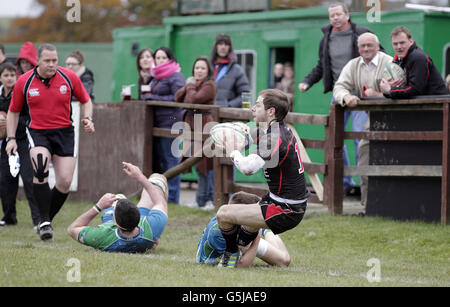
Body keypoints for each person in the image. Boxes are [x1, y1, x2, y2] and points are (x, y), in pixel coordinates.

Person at [6, 43, 95, 242]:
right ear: (37, 61)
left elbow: (86, 100)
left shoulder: (68, 77)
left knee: (64, 181)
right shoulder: (24, 81)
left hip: (64, 132)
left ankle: (45, 220)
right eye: (47, 61)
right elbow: (13, 111)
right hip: (38, 131)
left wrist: (88, 119)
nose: (52, 64)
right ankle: (44, 221)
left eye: (55, 60)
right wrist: (11, 138)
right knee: (40, 168)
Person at [215, 88, 309, 268]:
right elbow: (250, 134)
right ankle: (272, 255)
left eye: (257, 105)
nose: (252, 108)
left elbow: (248, 168)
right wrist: (238, 132)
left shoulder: (274, 137)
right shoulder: (277, 131)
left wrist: (232, 151)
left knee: (223, 214)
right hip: (283, 203)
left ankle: (230, 254)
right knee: (245, 235)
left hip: (285, 208)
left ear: (270, 111)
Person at [298, 2, 378, 196]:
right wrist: (308, 81)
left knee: (360, 136)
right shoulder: (326, 38)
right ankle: (345, 182)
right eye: (331, 15)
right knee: (334, 136)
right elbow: (321, 65)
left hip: (360, 91)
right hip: (338, 92)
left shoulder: (361, 33)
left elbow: (379, 55)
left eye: (338, 15)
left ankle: (365, 184)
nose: (334, 18)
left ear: (346, 15)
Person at [333, 33, 394, 207]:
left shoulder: (389, 63)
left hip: (393, 119)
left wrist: (378, 95)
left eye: (370, 45)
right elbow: (339, 86)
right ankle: (368, 206)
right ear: (358, 48)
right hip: (371, 120)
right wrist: (346, 97)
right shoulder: (353, 65)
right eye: (362, 46)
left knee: (391, 160)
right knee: (364, 154)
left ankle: (391, 204)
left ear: (377, 46)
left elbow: (400, 89)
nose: (366, 49)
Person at [67, 162, 168, 253]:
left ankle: (118, 199)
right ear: (138, 216)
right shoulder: (152, 226)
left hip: (115, 235)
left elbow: (72, 229)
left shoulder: (101, 236)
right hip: (145, 236)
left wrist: (98, 207)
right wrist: (140, 176)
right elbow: (160, 202)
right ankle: (155, 239)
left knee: (117, 197)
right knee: (158, 179)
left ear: (115, 223)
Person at [197, 191, 291, 267]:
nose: (256, 217)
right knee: (282, 260)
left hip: (243, 233)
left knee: (284, 261)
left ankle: (267, 231)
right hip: (234, 240)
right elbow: (241, 265)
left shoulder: (232, 221)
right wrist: (257, 236)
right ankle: (264, 230)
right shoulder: (219, 234)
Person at [143, 46, 185, 204]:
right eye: (157, 58)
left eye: (163, 58)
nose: (160, 61)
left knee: (171, 161)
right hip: (157, 124)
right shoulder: (156, 77)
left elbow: (178, 98)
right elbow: (150, 94)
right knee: (161, 161)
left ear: (170, 59)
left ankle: (173, 198)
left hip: (171, 124)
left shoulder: (176, 76)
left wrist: (152, 97)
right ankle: (162, 197)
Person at [0, 62, 40, 227]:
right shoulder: (0, 95)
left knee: (30, 180)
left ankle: (38, 220)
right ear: (1, 77)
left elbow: (28, 117)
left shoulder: (22, 93)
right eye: (6, 75)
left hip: (24, 141)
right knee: (5, 180)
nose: (10, 78)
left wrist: (9, 121)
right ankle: (9, 217)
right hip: (7, 142)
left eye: (12, 75)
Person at [175, 56, 216, 210]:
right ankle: (200, 200)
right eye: (197, 68)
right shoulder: (194, 84)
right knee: (195, 162)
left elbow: (193, 100)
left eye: (202, 68)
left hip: (203, 124)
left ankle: (208, 200)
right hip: (190, 124)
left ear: (208, 71)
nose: (199, 71)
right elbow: (177, 97)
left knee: (205, 164)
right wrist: (188, 86)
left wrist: (190, 87)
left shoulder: (210, 85)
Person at [380, 26, 448, 98]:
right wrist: (387, 88)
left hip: (438, 105)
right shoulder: (398, 60)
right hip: (422, 105)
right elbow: (400, 90)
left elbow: (415, 89)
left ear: (411, 41)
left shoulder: (418, 58)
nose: (399, 46)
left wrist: (390, 90)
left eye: (402, 42)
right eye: (395, 44)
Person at [210, 33, 250, 108]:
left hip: (227, 116)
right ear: (215, 46)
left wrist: (228, 106)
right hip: (207, 113)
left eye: (226, 44)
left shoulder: (237, 70)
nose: (223, 47)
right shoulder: (207, 67)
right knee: (196, 119)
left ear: (230, 48)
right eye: (220, 44)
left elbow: (245, 95)